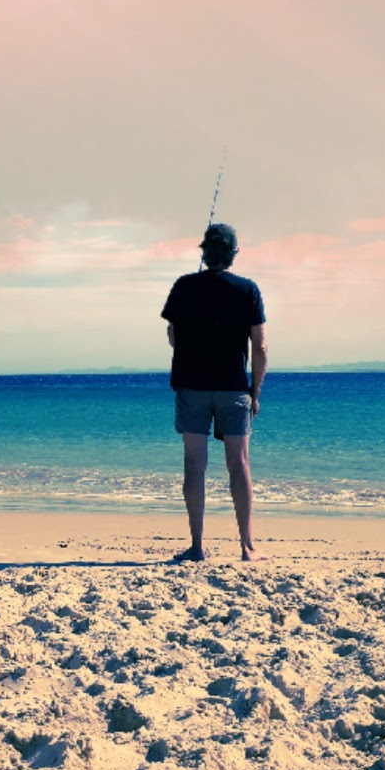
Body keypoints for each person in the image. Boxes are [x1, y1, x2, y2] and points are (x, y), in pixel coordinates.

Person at [161, 223, 267, 564]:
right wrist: (256, 392)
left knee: (195, 466)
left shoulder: (183, 286)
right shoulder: (248, 289)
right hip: (234, 386)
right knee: (239, 465)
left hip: (192, 386)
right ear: (233, 254)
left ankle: (196, 546)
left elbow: (173, 337)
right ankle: (246, 547)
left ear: (203, 252)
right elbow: (260, 347)